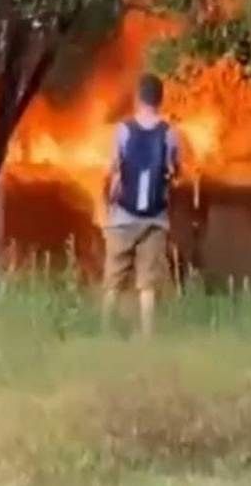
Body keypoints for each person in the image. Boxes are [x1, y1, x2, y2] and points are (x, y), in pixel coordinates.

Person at [102, 73, 179, 337]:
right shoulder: (169, 134)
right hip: (155, 218)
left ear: (138, 98)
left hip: (123, 216)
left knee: (113, 279)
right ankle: (148, 337)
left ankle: (105, 332)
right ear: (161, 99)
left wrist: (109, 202)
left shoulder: (123, 130)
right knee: (148, 283)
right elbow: (173, 171)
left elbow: (113, 169)